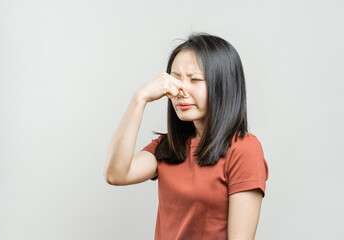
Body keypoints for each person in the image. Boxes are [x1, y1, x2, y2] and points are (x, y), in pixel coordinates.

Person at [104, 32, 269, 240]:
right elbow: (116, 174)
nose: (181, 90)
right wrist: (140, 98)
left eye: (195, 79)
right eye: (175, 79)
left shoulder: (243, 149)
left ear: (223, 85)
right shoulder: (167, 146)